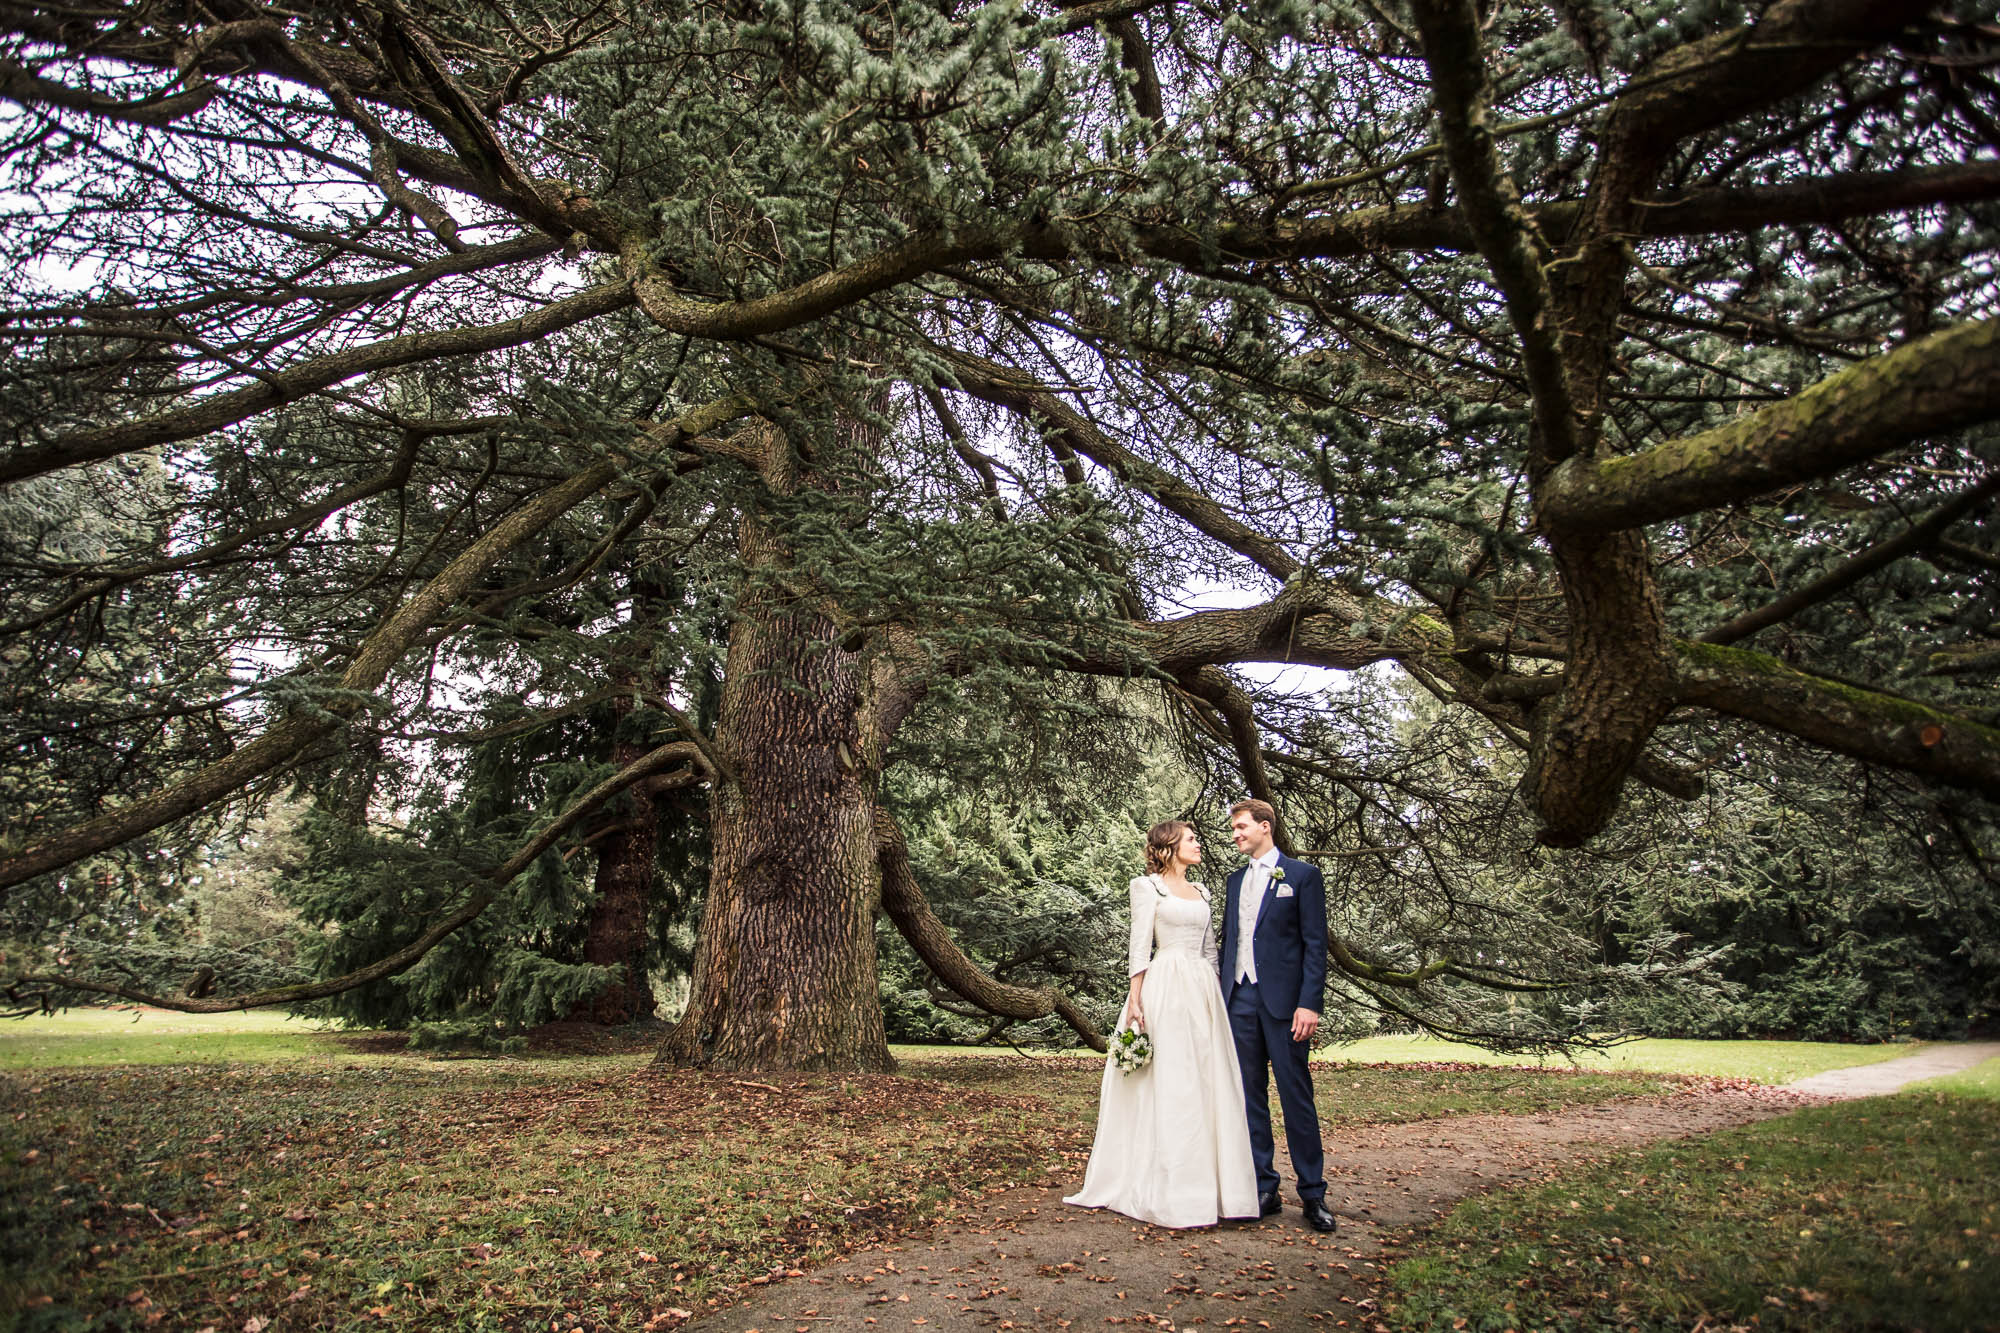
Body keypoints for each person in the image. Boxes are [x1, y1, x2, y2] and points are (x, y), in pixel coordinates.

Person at [1064, 819, 1259, 1228]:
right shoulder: (1146, 886)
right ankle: (1170, 1187)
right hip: (1165, 986)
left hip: (1202, 991)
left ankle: (1218, 1190)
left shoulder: (1204, 891)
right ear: (1168, 847)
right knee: (1174, 1080)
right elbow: (1139, 946)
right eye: (1191, 839)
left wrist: (1217, 1004)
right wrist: (1135, 1000)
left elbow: (1209, 952)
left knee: (1208, 1081)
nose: (1199, 843)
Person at [1218, 798, 1336, 1232]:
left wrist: (1310, 1003)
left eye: (1241, 827)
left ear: (1265, 827)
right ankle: (1263, 1185)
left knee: (1295, 1097)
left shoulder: (1303, 876)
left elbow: (1314, 945)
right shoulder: (1234, 882)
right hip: (1240, 1001)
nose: (1236, 835)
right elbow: (1231, 943)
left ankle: (1313, 1193)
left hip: (1287, 1007)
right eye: (1234, 828)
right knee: (1249, 1098)